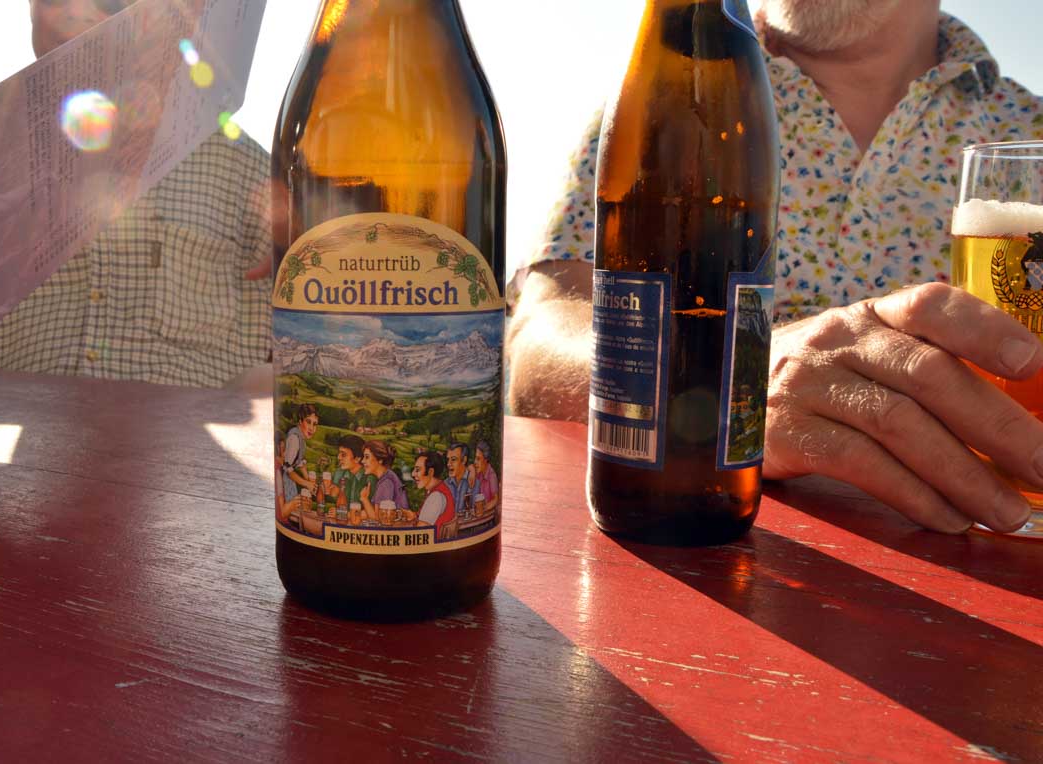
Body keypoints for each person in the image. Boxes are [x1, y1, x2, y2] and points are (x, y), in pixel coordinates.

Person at [508, 0, 1043, 535]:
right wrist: (738, 383)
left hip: (983, 554)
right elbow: (535, 341)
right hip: (708, 552)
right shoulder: (665, 83)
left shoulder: (1028, 125)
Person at [0, 0, 273, 506]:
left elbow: (307, 348)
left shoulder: (258, 180)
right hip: (4, 500)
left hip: (195, 502)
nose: (74, 12)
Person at [359, 440, 409, 521]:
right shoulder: (388, 476)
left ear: (380, 460)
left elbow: (378, 518)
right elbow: (372, 512)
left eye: (367, 457)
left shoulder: (386, 483)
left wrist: (364, 499)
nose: (362, 461)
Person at [411, 451, 456, 538]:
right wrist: (414, 516)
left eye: (417, 470)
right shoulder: (437, 489)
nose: (413, 474)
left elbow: (420, 534)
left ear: (431, 472)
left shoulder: (436, 497)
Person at [329, 434, 377, 512]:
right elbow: (333, 497)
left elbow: (373, 512)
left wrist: (342, 513)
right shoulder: (339, 473)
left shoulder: (370, 478)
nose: (338, 457)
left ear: (357, 458)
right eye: (339, 453)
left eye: (343, 455)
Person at [282, 404, 319, 504]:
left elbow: (300, 463)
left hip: (290, 481)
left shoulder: (301, 438)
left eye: (315, 424)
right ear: (300, 421)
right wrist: (307, 483)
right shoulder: (294, 438)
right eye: (308, 422)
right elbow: (287, 469)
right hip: (284, 482)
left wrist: (309, 480)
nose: (311, 428)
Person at [470, 440, 500, 516]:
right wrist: (472, 470)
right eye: (475, 458)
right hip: (479, 514)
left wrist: (483, 509)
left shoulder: (491, 475)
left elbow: (496, 499)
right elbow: (468, 468)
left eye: (478, 459)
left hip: (488, 516)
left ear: (486, 460)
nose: (475, 462)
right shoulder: (480, 473)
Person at [444, 442, 473, 513]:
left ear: (464, 460)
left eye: (453, 459)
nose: (448, 464)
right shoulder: (445, 484)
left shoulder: (473, 481)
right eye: (448, 459)